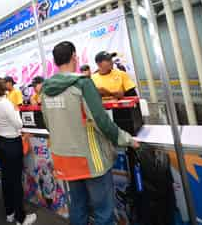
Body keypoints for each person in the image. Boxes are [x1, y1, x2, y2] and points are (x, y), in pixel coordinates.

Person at [40, 41, 139, 225]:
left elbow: (48, 125)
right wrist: (127, 139)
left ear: (55, 62)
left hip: (64, 159)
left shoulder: (45, 90)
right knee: (103, 213)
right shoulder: (82, 84)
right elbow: (101, 121)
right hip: (90, 160)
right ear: (74, 57)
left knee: (78, 208)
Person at [0, 78, 37, 225]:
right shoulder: (5, 103)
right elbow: (19, 124)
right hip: (11, 143)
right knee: (15, 181)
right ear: (2, 87)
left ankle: (10, 212)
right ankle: (21, 218)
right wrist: (16, 111)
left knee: (7, 179)